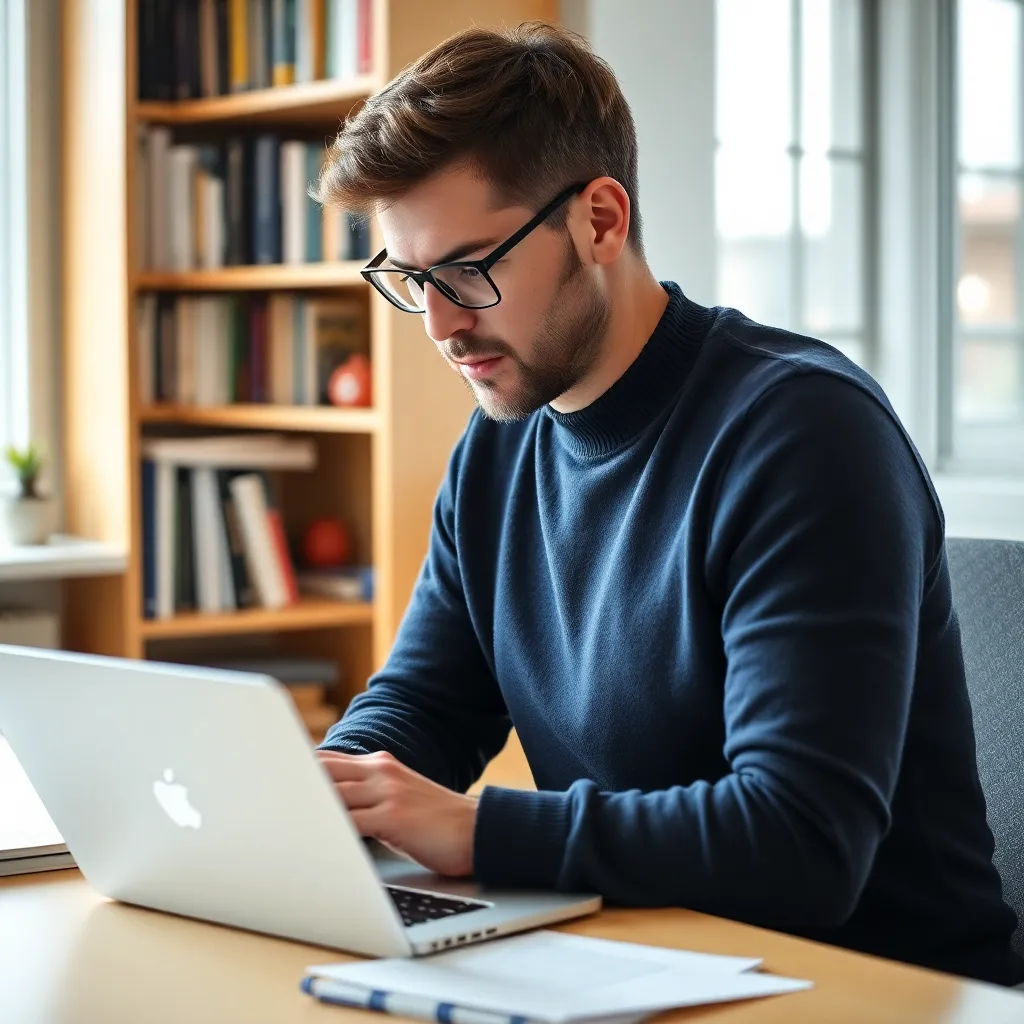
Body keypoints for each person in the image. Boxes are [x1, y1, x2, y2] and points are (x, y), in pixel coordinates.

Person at [312, 21, 1024, 985]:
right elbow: (428, 702)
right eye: (412, 279)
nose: (439, 324)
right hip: (639, 965)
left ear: (601, 220)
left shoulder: (805, 434)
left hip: (869, 990)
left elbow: (799, 840)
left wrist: (479, 829)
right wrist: (326, 796)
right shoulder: (500, 443)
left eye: (469, 269)